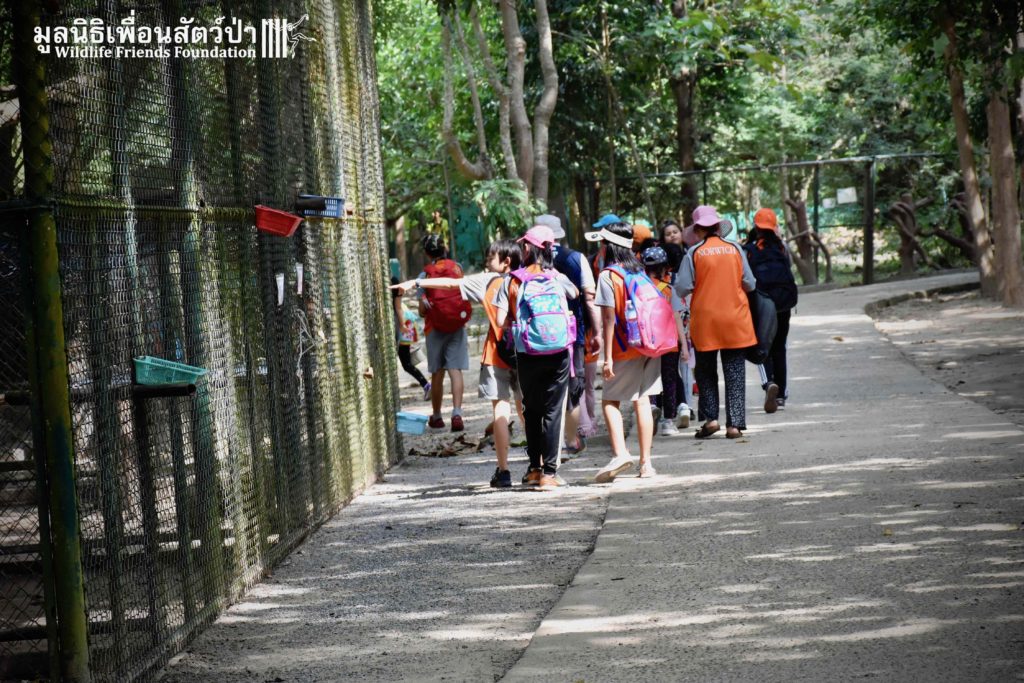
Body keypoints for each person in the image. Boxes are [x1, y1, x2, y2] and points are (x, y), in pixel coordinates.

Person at [394, 240, 524, 487]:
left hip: (496, 353)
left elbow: (449, 285)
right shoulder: (527, 279)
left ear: (506, 261)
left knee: (499, 409)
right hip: (526, 352)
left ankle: (504, 471)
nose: (487, 263)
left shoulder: (488, 281)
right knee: (525, 408)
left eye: (490, 259)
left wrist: (416, 283)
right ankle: (538, 465)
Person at [494, 226, 578, 490]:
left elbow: (499, 319)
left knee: (531, 409)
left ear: (527, 248)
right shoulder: (556, 276)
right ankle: (549, 473)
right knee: (552, 410)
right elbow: (575, 293)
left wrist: (520, 322)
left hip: (527, 351)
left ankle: (533, 469)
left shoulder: (513, 280)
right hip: (558, 350)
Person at [586, 221, 662, 480]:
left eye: (602, 243)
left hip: (624, 347)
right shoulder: (639, 270)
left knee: (610, 401)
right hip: (649, 345)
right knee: (643, 400)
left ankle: (620, 454)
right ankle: (646, 465)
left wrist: (607, 358)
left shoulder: (608, 276)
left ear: (608, 246)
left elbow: (608, 319)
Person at [674, 205, 757, 439]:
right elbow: (750, 283)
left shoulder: (694, 253)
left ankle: (711, 420)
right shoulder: (735, 249)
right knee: (735, 371)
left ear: (698, 230)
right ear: (718, 227)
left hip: (705, 320)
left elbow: (682, 287)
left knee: (705, 371)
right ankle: (734, 425)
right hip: (735, 319)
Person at [535, 214, 602, 458]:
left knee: (547, 388)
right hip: (573, 332)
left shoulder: (529, 262)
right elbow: (589, 297)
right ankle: (574, 437)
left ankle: (548, 442)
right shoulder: (575, 258)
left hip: (539, 336)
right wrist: (596, 331)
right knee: (574, 385)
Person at [744, 208, 798, 413]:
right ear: (774, 227)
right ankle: (781, 395)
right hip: (784, 302)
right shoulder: (782, 247)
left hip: (762, 303)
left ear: (756, 227)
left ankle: (769, 384)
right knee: (779, 347)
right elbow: (789, 268)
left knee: (763, 345)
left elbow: (746, 278)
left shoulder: (749, 249)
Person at [416, 234, 472, 432]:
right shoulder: (457, 268)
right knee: (455, 370)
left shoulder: (424, 275)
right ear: (444, 249)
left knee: (437, 372)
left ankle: (437, 416)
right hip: (457, 325)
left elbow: (422, 310)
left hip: (435, 328)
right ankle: (457, 413)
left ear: (426, 253)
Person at [641, 246, 689, 437]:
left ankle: (652, 406)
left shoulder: (639, 289)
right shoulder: (669, 290)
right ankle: (668, 422)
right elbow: (677, 318)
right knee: (670, 380)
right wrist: (684, 346)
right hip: (669, 342)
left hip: (647, 343)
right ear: (664, 268)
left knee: (649, 378)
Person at [391, 276, 430, 400]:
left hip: (404, 326)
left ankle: (426, 385)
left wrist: (402, 326)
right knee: (407, 363)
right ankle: (426, 385)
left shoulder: (395, 289)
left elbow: (398, 307)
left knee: (406, 363)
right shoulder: (396, 286)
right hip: (406, 325)